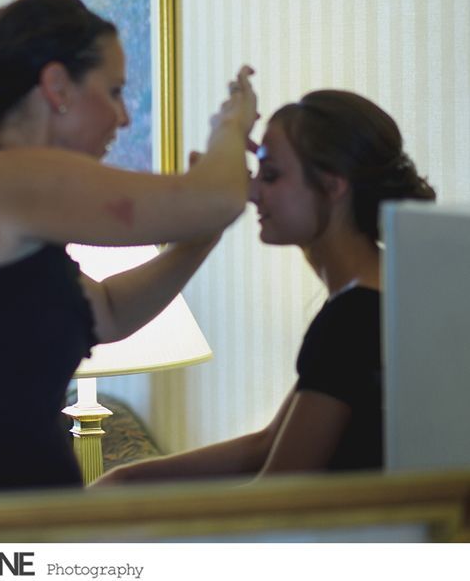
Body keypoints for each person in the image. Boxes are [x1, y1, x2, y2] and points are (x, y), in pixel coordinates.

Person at [0, 0, 258, 498]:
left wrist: (199, 240)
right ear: (57, 85)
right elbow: (215, 197)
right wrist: (231, 125)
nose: (123, 118)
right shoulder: (5, 180)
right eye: (115, 91)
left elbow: (108, 312)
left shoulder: (16, 201)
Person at [94, 90, 436, 486]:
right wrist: (126, 479)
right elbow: (268, 443)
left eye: (270, 175)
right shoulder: (384, 292)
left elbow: (276, 493)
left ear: (333, 186)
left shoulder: (352, 318)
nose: (252, 192)